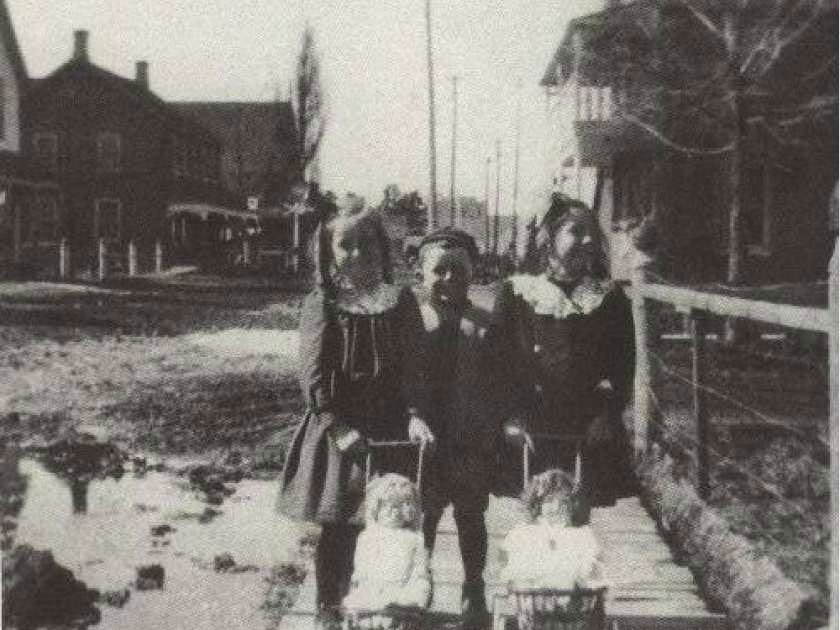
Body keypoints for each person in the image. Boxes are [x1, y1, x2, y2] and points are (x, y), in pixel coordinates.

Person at [276, 197, 434, 626]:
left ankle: (389, 606)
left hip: (391, 428)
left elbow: (416, 367)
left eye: (367, 243)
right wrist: (335, 424)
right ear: (328, 253)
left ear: (383, 249)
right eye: (346, 245)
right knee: (342, 525)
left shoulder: (399, 303)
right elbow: (313, 372)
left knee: (393, 523)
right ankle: (329, 607)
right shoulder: (323, 303)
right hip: (342, 430)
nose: (357, 253)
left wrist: (416, 413)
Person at [489, 193, 637, 508]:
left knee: (577, 521)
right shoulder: (517, 294)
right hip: (529, 430)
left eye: (592, 234)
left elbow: (623, 367)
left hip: (586, 431)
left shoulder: (609, 299)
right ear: (547, 238)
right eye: (575, 231)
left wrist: (607, 417)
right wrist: (509, 417)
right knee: (532, 520)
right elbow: (497, 364)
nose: (587, 241)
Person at [414, 227, 502, 628]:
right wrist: (412, 413)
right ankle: (416, 583)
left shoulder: (484, 324)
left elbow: (504, 377)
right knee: (423, 516)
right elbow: (401, 377)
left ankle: (473, 589)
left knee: (471, 515)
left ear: (473, 271)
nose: (449, 278)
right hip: (426, 439)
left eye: (459, 270)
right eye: (439, 270)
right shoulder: (412, 320)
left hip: (470, 437)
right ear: (421, 272)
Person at [500, 469, 604, 589]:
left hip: (573, 595)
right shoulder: (526, 533)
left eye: (564, 502)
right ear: (537, 504)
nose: (556, 507)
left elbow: (591, 567)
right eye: (549, 501)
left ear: (573, 505)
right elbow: (514, 568)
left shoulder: (581, 535)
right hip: (535, 596)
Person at [343, 473, 431, 611]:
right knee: (358, 599)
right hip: (373, 587)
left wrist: (417, 586)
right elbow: (361, 568)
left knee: (416, 593)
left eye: (398, 506)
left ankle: (400, 612)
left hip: (403, 588)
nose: (393, 512)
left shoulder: (415, 538)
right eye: (386, 506)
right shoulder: (367, 537)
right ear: (376, 508)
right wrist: (367, 583)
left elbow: (419, 571)